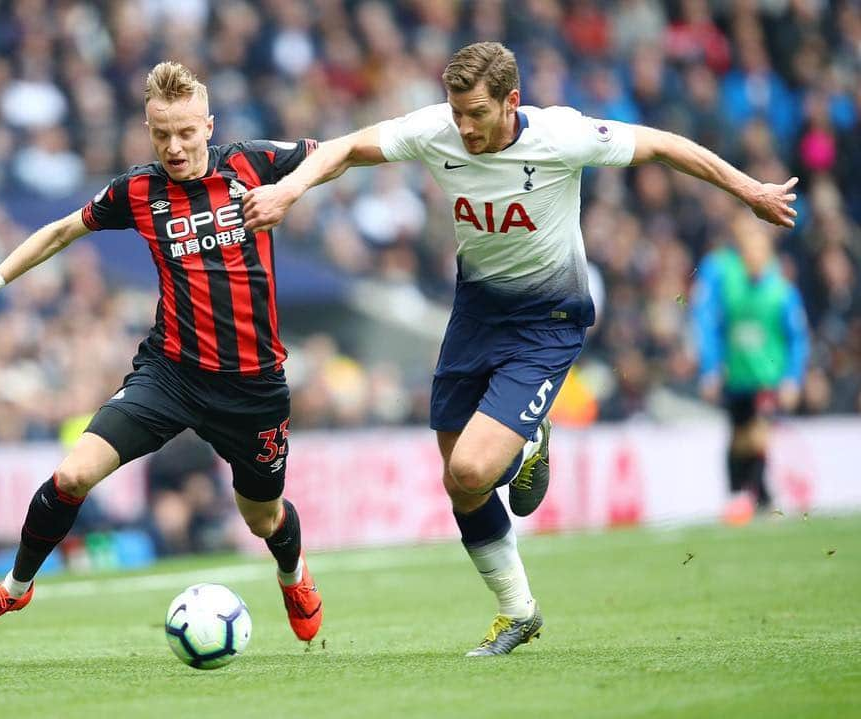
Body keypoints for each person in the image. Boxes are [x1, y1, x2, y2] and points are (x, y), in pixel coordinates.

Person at [243, 41, 798, 656]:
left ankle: (530, 437)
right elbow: (346, 148)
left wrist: (750, 191)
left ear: (512, 101)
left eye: (476, 113)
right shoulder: (438, 130)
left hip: (547, 320)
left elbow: (665, 144)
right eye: (457, 113)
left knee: (474, 469)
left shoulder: (563, 135)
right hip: (475, 314)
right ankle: (519, 611)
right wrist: (290, 191)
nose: (464, 127)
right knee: (461, 485)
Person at [0, 62, 323, 642]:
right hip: (171, 372)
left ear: (209, 126)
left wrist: (292, 189)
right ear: (147, 129)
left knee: (262, 516)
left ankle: (293, 572)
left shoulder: (252, 163)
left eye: (185, 133)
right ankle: (13, 589)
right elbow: (60, 231)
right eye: (161, 135)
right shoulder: (139, 191)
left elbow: (342, 151)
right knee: (73, 473)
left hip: (253, 387)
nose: (174, 148)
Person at [691, 210, 809, 523]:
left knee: (757, 436)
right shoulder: (732, 288)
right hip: (738, 376)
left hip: (767, 379)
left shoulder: (782, 292)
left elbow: (797, 338)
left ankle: (750, 497)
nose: (753, 255)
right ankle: (757, 496)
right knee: (739, 438)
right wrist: (712, 367)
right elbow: (712, 324)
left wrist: (792, 379)